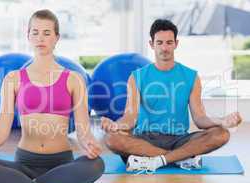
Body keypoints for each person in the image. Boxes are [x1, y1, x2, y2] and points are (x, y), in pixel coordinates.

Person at [0, 9, 104, 183]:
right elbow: (1, 131)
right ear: (28, 36)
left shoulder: (74, 79)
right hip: (24, 162)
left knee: (97, 164)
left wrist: (90, 144)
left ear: (57, 38)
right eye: (35, 32)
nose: (41, 38)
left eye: (47, 33)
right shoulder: (13, 79)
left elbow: (83, 130)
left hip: (61, 163)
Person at [101, 19, 242, 172]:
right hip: (145, 140)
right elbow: (130, 117)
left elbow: (200, 118)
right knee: (111, 138)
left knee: (221, 134)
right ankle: (180, 159)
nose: (164, 48)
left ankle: (156, 160)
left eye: (169, 42)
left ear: (176, 44)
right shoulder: (136, 77)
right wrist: (116, 125)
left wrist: (222, 121)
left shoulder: (191, 76)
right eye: (159, 42)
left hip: (179, 139)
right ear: (152, 44)